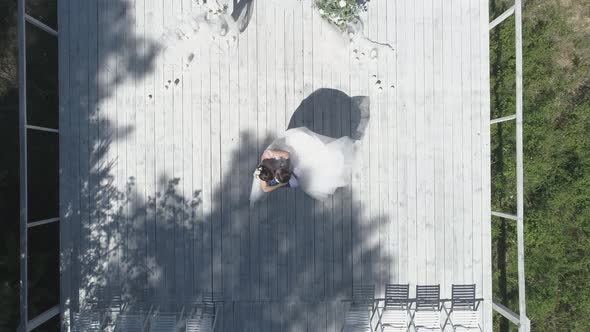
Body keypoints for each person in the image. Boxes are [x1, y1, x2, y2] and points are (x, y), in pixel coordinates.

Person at [249, 127, 357, 205]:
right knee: (305, 180)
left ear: (271, 169)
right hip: (284, 171)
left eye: (274, 172)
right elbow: (265, 189)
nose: (274, 172)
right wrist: (280, 183)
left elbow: (286, 154)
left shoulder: (269, 154)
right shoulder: (261, 172)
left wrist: (286, 167)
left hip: (288, 157)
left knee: (313, 161)